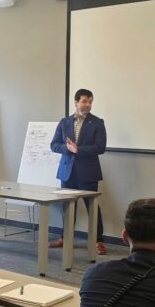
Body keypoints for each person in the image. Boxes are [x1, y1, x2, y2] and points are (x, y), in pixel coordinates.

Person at [50, 88, 108, 255]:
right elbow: (54, 145)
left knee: (93, 208)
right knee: (67, 207)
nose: (87, 104)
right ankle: (65, 238)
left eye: (90, 101)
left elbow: (100, 147)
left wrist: (79, 150)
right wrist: (68, 149)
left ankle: (98, 241)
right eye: (84, 101)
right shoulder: (64, 122)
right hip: (67, 172)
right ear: (76, 102)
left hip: (88, 172)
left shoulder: (97, 122)